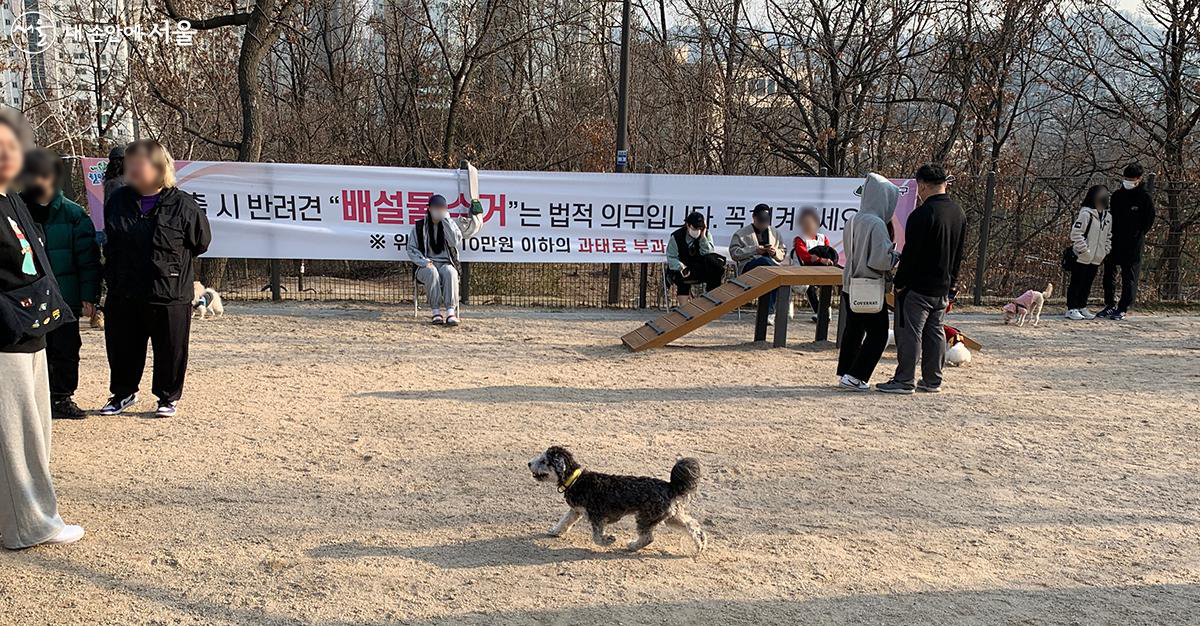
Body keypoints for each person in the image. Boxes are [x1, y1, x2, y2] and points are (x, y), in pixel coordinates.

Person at [0, 108, 85, 548]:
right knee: (15, 438)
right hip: (4, 337)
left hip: (32, 328)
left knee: (34, 432)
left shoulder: (13, 198)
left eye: (15, 144)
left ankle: (26, 514)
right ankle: (30, 525)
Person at [101, 139, 211, 418]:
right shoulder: (117, 201)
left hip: (169, 291)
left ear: (159, 167)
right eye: (130, 165)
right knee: (122, 347)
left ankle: (167, 397)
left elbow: (201, 242)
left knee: (171, 348)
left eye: (139, 165)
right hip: (124, 290)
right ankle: (123, 394)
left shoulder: (183, 204)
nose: (132, 171)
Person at [20, 148, 101, 420]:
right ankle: (32, 402)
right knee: (30, 353)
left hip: (64, 297)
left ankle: (62, 397)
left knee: (66, 350)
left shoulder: (74, 214)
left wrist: (90, 296)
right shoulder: (15, 210)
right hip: (26, 300)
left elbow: (88, 261)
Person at [877, 163, 967, 395]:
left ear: (923, 185)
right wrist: (952, 284)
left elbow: (911, 254)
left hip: (916, 286)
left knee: (910, 333)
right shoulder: (958, 213)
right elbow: (959, 253)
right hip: (942, 285)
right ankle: (932, 379)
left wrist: (900, 283)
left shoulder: (921, 214)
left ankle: (905, 379)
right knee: (935, 332)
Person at [836, 174, 899, 391]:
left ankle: (845, 372)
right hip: (869, 286)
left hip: (849, 283)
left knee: (853, 330)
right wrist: (895, 257)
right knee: (879, 333)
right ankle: (856, 376)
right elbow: (880, 260)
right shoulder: (877, 223)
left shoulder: (853, 219)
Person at [406, 193, 483, 326]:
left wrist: (446, 220)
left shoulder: (450, 224)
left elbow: (454, 242)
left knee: (450, 272)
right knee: (432, 272)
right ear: (429, 209)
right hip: (425, 264)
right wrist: (423, 262)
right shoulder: (419, 227)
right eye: (435, 207)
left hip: (447, 263)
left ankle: (450, 311)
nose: (438, 210)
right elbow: (411, 249)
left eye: (441, 208)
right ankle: (435, 311)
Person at [1098, 164, 1154, 320]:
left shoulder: (1144, 197)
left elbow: (1149, 220)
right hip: (1114, 239)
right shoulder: (1117, 196)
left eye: (1132, 179)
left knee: (1128, 275)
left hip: (1133, 242)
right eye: (1127, 178)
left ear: (1139, 179)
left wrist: (1137, 234)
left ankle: (1123, 307)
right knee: (1109, 272)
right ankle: (1110, 304)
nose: (1129, 181)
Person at [729, 203, 786, 322]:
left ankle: (770, 312)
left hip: (770, 267)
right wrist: (754, 250)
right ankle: (770, 311)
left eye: (765, 222)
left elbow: (782, 251)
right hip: (749, 267)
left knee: (771, 272)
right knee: (766, 264)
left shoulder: (775, 233)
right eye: (761, 221)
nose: (763, 225)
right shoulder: (741, 233)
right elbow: (734, 253)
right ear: (754, 217)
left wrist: (774, 252)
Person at [1065, 185, 1113, 321]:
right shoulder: (1086, 214)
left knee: (1088, 283)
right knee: (1077, 282)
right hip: (1083, 256)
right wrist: (1084, 250)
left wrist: (1105, 250)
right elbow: (1076, 233)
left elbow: (1108, 236)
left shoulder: (1107, 216)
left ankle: (1082, 306)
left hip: (1097, 257)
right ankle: (1071, 308)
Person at [666, 211, 725, 306]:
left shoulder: (705, 234)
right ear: (688, 225)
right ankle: (684, 307)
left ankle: (711, 302)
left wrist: (703, 237)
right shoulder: (676, 237)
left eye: (700, 228)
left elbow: (708, 253)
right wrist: (682, 267)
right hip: (683, 268)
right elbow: (671, 257)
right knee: (681, 278)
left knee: (715, 266)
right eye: (695, 227)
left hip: (700, 267)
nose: (697, 230)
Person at [792, 206, 838, 321]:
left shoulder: (823, 238)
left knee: (827, 286)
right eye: (805, 223)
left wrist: (818, 259)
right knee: (809, 287)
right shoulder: (799, 239)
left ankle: (826, 312)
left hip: (823, 271)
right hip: (804, 270)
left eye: (811, 223)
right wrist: (820, 260)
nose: (808, 226)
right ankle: (819, 312)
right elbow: (805, 257)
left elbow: (829, 252)